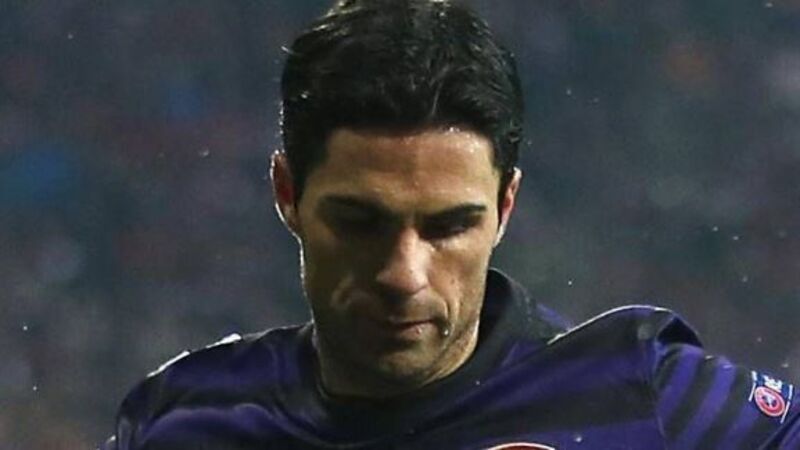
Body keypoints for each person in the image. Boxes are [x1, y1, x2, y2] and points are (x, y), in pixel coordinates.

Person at [101, 0, 799, 448]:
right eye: (360, 222)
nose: (403, 275)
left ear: (504, 208)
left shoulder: (643, 395)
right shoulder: (181, 418)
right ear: (288, 194)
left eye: (448, 227)